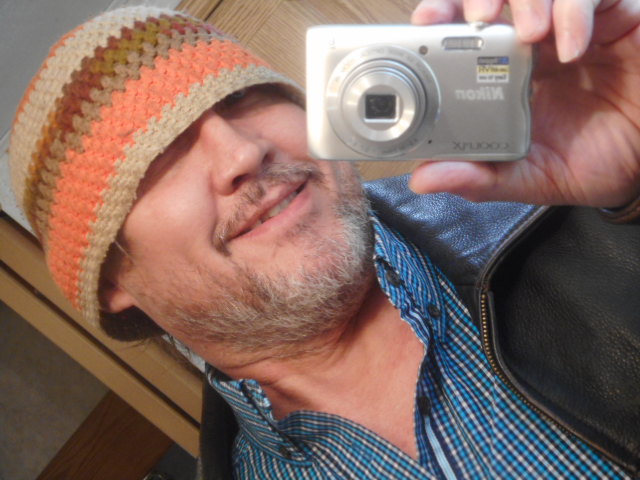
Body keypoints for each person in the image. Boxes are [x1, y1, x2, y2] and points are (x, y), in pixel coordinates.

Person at [7, 1, 639, 479]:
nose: (243, 151)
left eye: (244, 97)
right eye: (157, 155)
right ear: (111, 281)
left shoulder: (581, 219)